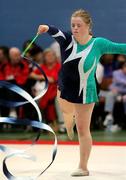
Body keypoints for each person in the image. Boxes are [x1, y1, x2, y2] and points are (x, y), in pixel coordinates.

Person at [37, 9, 126, 176]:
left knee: (83, 129)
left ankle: (83, 166)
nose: (75, 28)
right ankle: (68, 124)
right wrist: (46, 27)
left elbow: (121, 48)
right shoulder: (67, 40)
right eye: (73, 25)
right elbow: (56, 31)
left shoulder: (98, 43)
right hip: (64, 86)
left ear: (88, 26)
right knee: (67, 115)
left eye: (79, 25)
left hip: (86, 90)